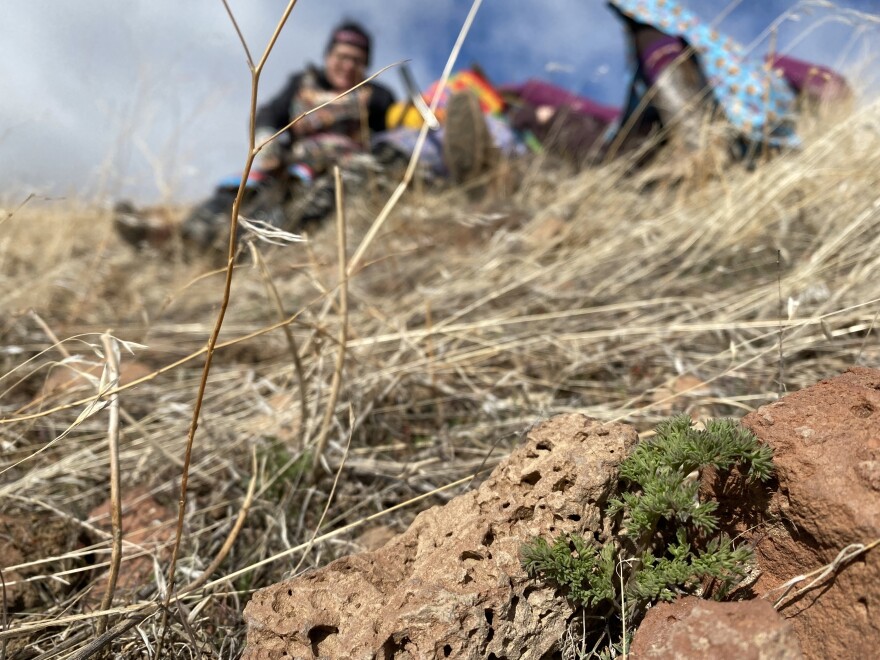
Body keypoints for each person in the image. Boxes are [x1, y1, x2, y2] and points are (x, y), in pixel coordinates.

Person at [116, 20, 395, 253]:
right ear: (328, 57)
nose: (347, 65)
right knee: (239, 191)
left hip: (341, 169)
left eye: (357, 60)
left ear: (366, 64)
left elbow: (392, 136)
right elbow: (269, 113)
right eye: (341, 57)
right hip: (291, 163)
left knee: (297, 210)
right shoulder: (302, 83)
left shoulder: (378, 96)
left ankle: (241, 249)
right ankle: (172, 237)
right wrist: (266, 140)